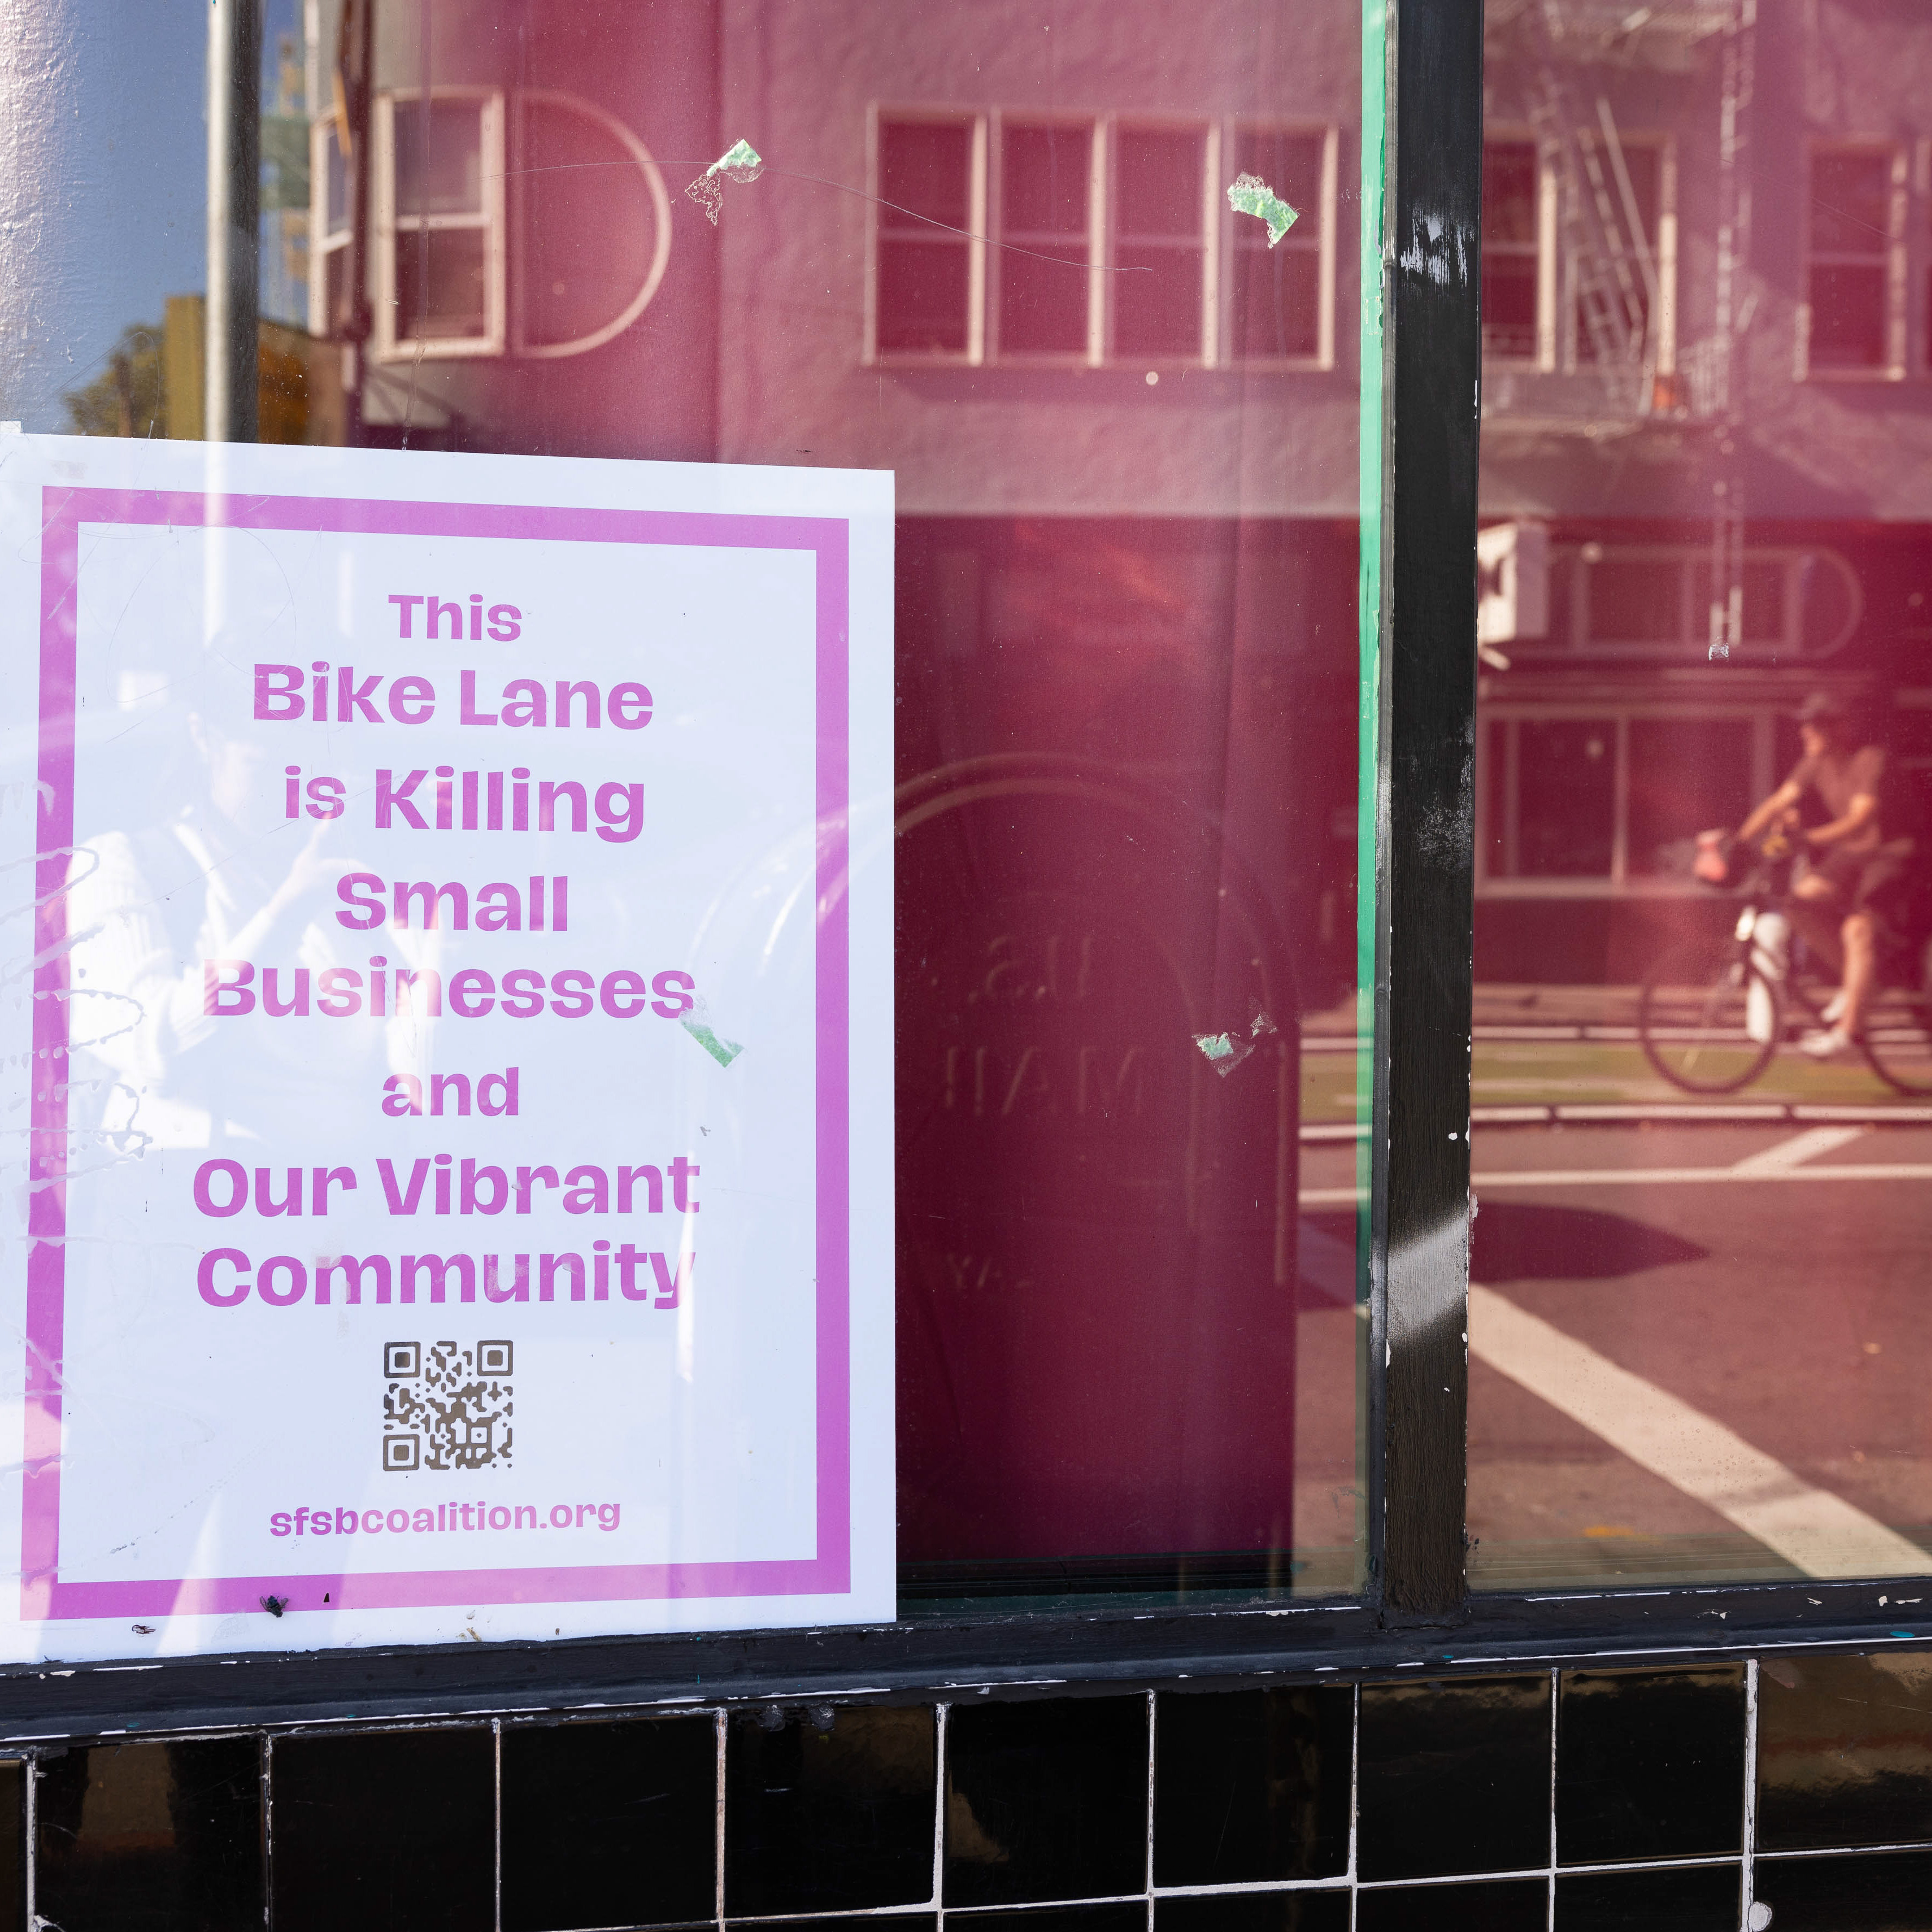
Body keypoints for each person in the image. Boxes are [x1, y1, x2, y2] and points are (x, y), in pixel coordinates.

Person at [1732, 694, 1912, 1060]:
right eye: (1803, 724)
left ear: (1840, 727)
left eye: (1814, 724)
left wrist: (1805, 840)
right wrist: (1737, 844)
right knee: (1800, 900)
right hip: (1851, 856)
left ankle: (1849, 1035)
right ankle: (1860, 983)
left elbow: (1862, 820)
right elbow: (1777, 802)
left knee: (1857, 931)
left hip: (1891, 855)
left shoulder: (1871, 759)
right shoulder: (1815, 762)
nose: (1804, 731)